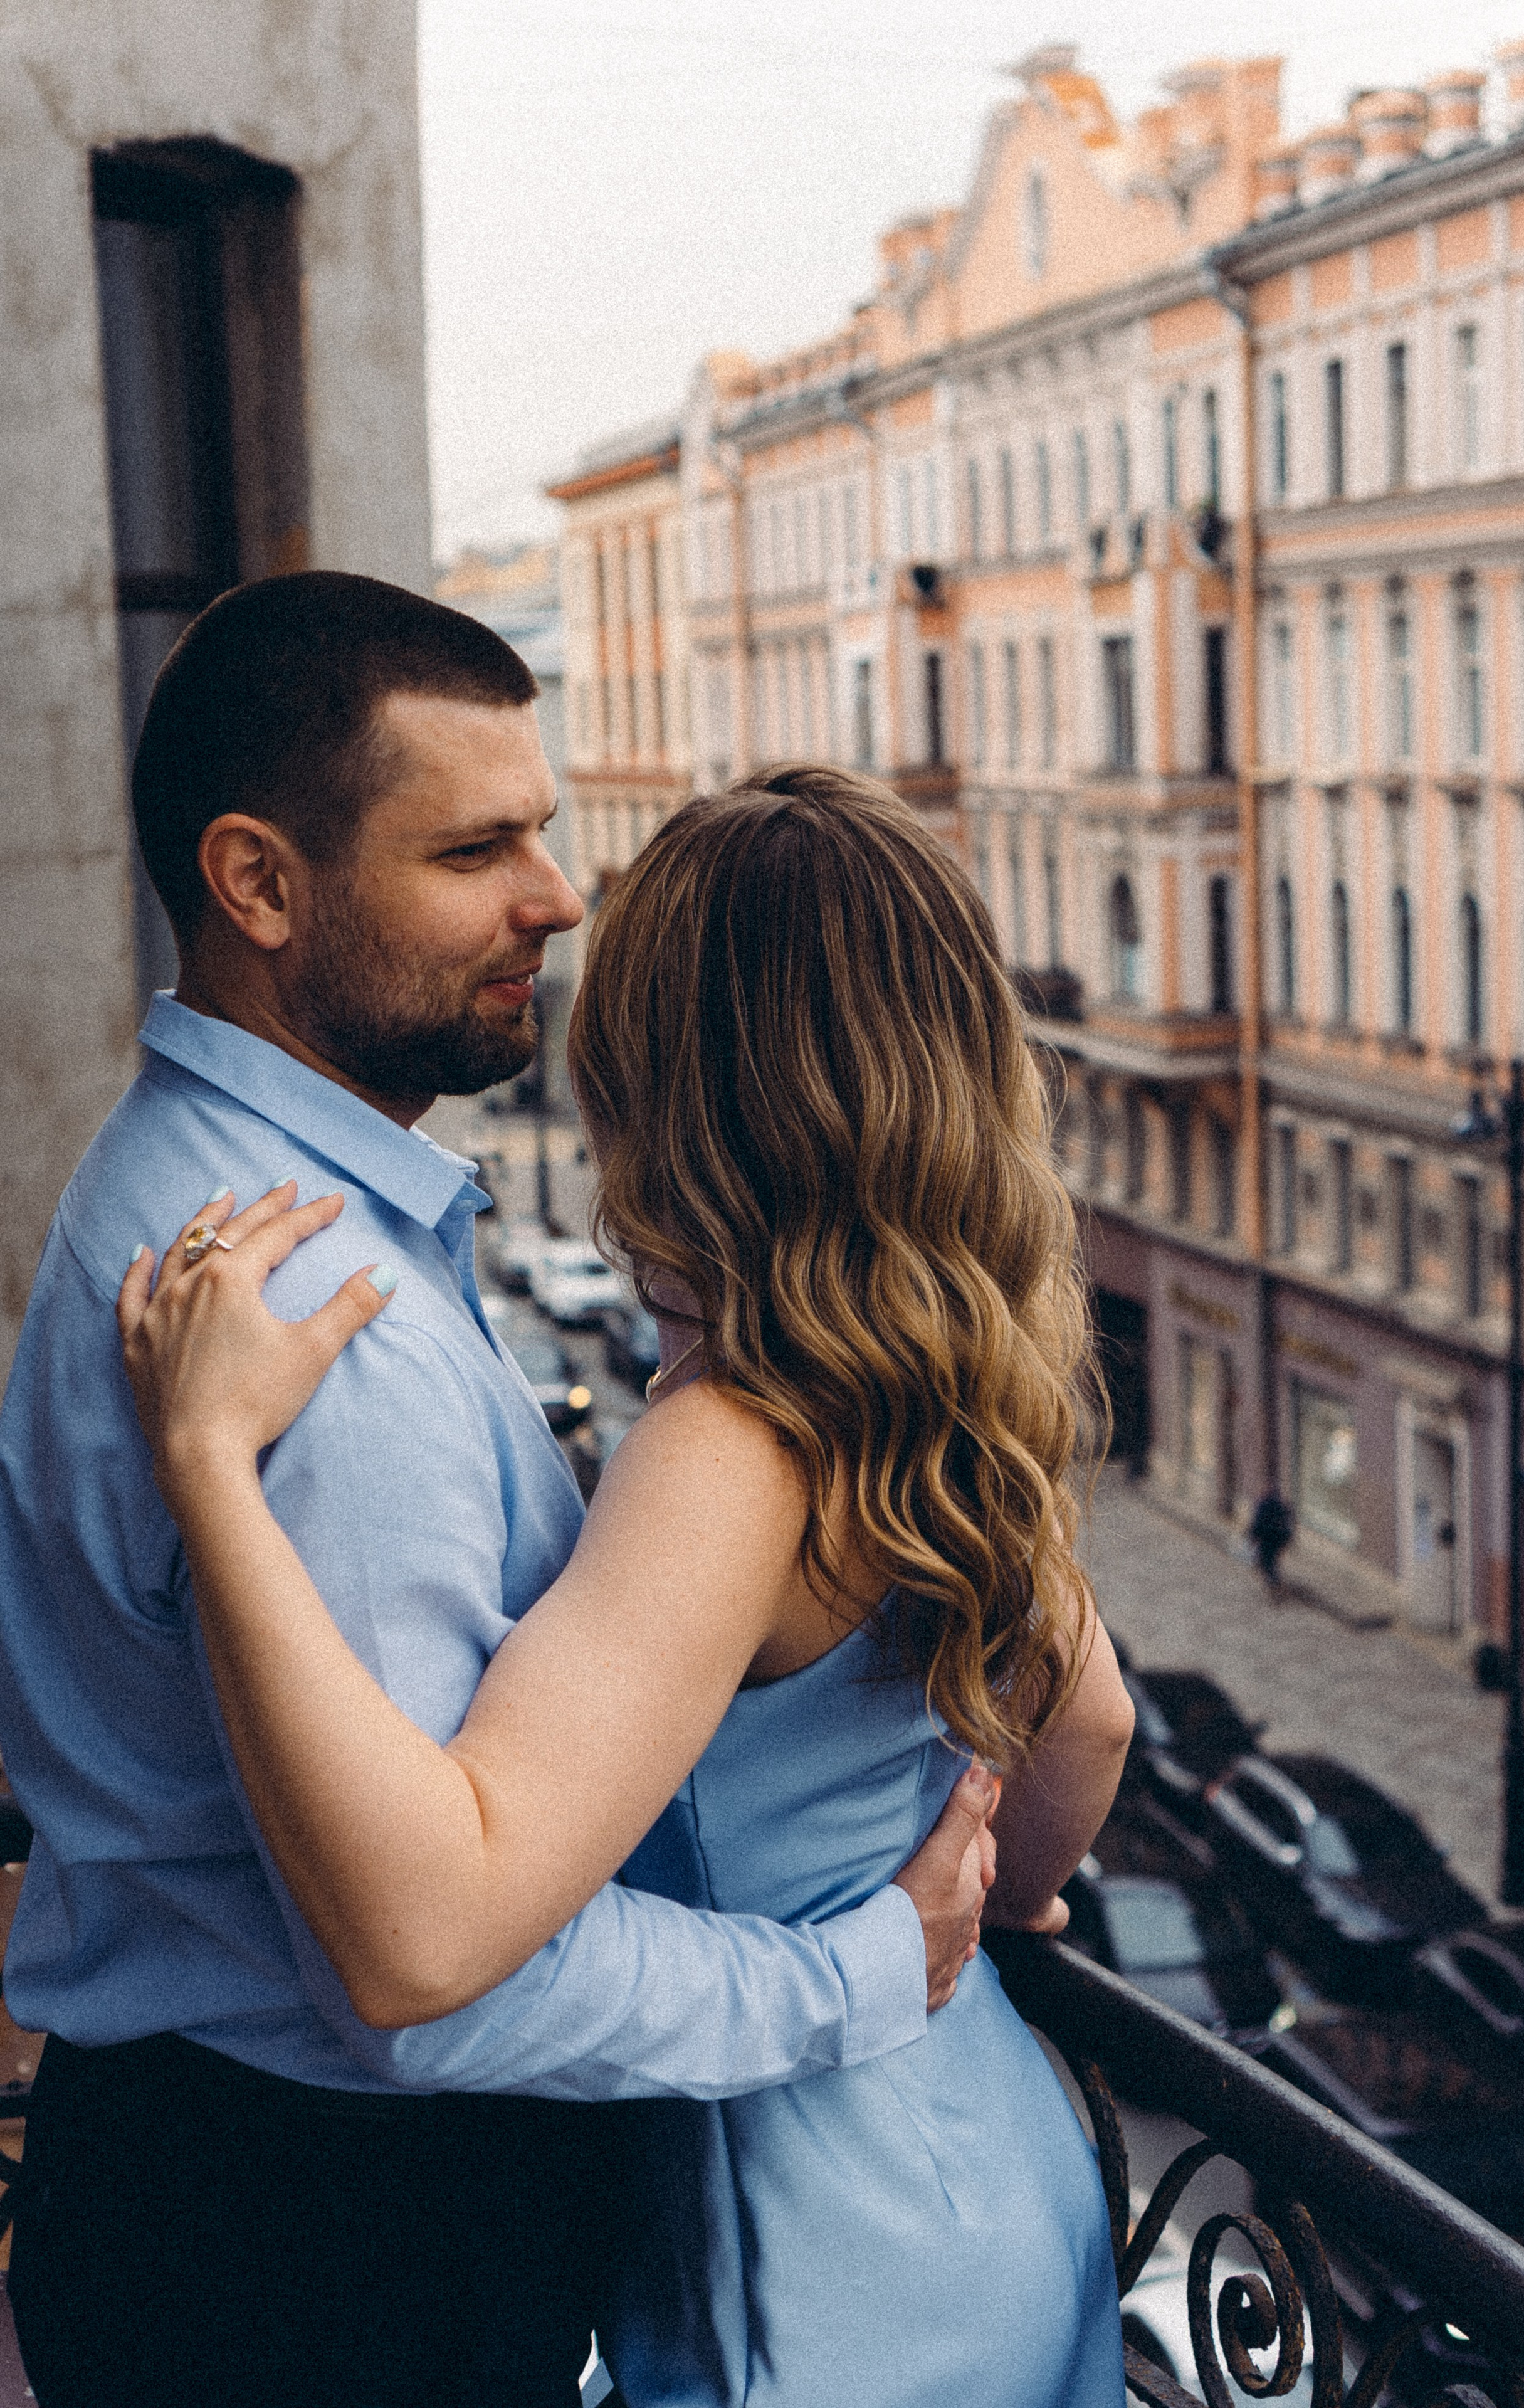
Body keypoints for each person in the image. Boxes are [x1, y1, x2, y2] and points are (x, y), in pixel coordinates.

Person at [0, 578, 999, 2408]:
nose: (552, 896)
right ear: (259, 884)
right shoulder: (316, 1302)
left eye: (543, 835)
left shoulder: (204, 1181)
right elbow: (437, 1966)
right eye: (475, 849)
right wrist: (860, 1975)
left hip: (233, 2200)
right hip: (328, 2259)